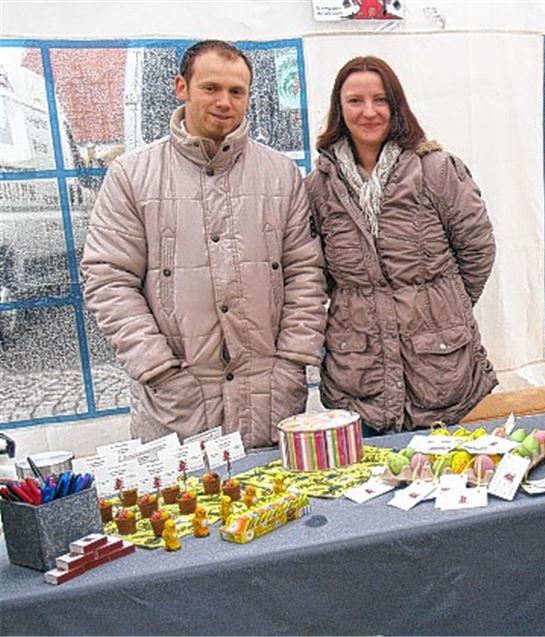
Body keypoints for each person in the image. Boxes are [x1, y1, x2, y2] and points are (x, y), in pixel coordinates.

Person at [82, 40, 327, 449]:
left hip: (267, 400)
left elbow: (305, 273)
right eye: (210, 88)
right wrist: (158, 369)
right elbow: (108, 281)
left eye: (237, 91)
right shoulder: (132, 175)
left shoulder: (281, 174)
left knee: (277, 511)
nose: (224, 102)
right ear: (182, 87)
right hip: (177, 404)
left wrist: (292, 361)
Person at [306, 56, 497, 434]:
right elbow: (314, 274)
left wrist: (441, 307)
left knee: (452, 478)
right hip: (360, 375)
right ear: (339, 110)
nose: (369, 112)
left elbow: (478, 249)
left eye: (381, 100)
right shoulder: (320, 187)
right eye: (355, 101)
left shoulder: (436, 169)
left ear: (397, 107)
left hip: (441, 368)